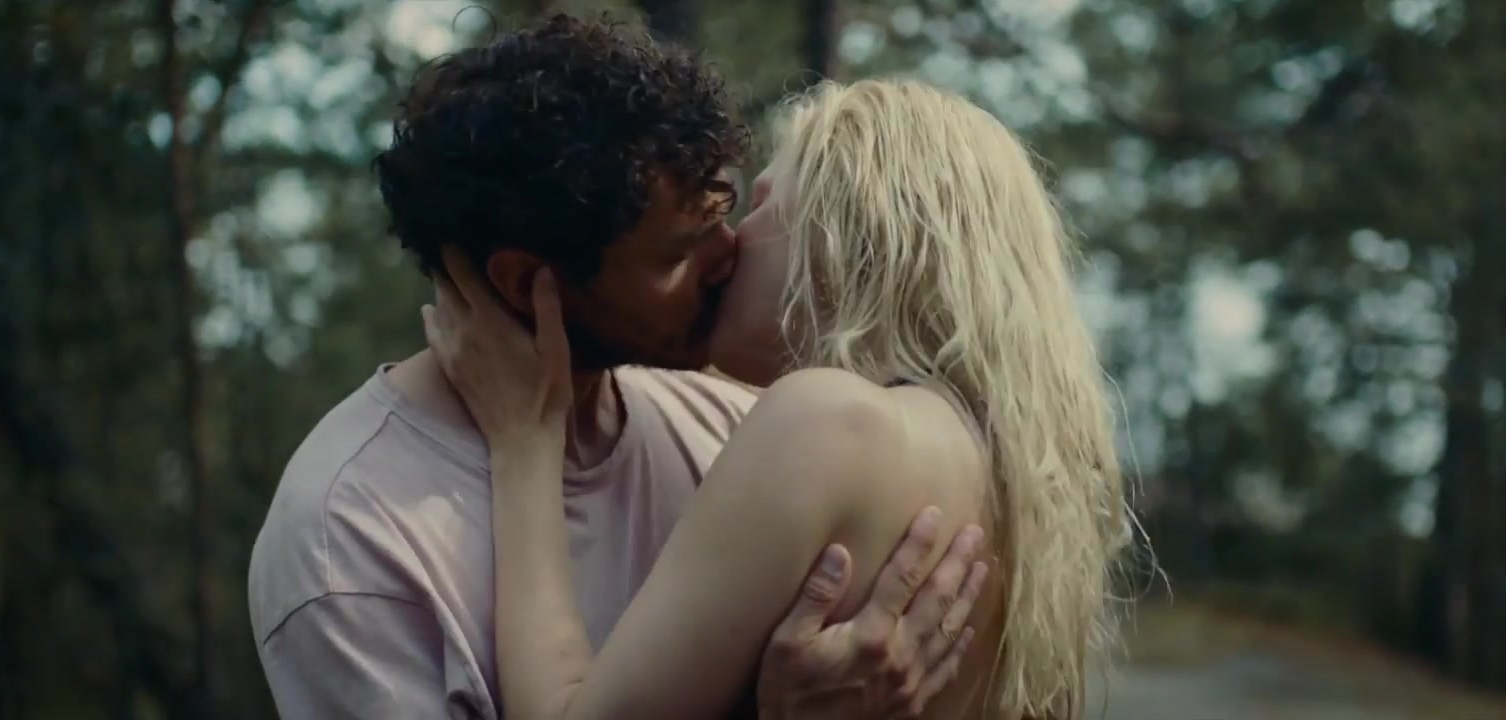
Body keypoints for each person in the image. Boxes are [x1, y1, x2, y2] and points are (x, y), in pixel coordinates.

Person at [246, 16, 986, 719]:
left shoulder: (730, 419)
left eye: (722, 210)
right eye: (676, 252)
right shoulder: (355, 537)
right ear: (524, 281)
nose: (729, 252)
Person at [425, 78, 1133, 720]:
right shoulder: (1014, 474)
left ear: (843, 235)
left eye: (761, 204)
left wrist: (526, 444)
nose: (730, 244)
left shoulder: (828, 421)